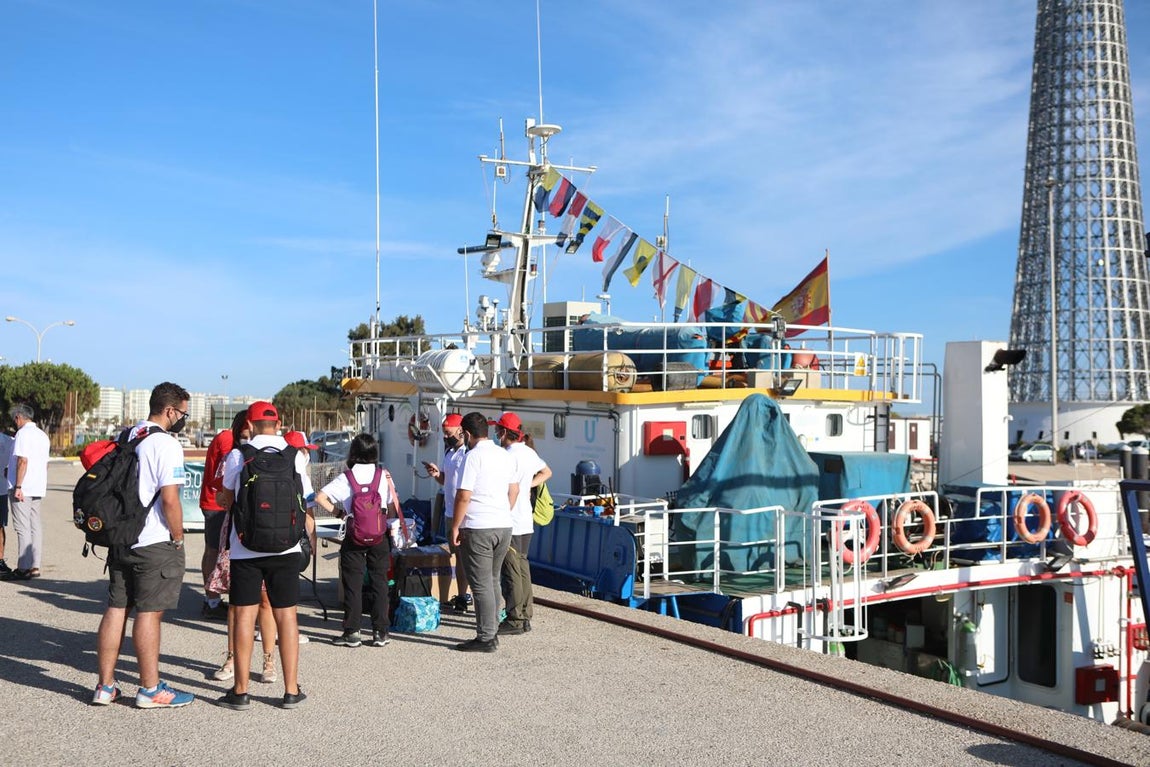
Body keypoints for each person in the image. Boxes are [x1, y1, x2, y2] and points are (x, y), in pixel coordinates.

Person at [92, 382, 196, 708]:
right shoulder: (165, 444)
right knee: (149, 614)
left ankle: (105, 686)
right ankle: (150, 689)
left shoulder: (128, 436)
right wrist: (178, 537)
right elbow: (170, 499)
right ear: (169, 411)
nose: (184, 419)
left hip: (120, 538)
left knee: (116, 608)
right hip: (153, 541)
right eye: (183, 413)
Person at [215, 401, 313, 710]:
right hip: (286, 547)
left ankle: (241, 691)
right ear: (278, 423)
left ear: (250, 424)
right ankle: (291, 690)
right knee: (287, 615)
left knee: (244, 614)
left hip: (246, 548)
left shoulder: (238, 456)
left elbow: (229, 499)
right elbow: (304, 500)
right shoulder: (295, 456)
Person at [209, 415, 280, 685]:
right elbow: (221, 495)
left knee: (264, 602)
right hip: (238, 535)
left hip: (259, 534)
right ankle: (232, 658)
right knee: (237, 604)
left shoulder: (263, 455)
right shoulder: (235, 457)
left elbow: (221, 497)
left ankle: (268, 659)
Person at [314, 433, 396, 648]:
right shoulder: (383, 475)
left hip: (355, 535)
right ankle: (381, 632)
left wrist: (341, 514)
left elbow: (319, 497)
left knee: (353, 584)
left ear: (354, 452)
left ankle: (352, 632)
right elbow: (391, 506)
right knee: (380, 582)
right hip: (379, 535)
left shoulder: (347, 477)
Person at [450, 411, 516, 652]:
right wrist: (502, 512)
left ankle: (486, 637)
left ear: (466, 434)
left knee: (480, 584)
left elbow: (464, 495)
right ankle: (492, 630)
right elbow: (514, 490)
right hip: (503, 524)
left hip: (479, 526)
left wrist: (455, 526)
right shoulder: (504, 455)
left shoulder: (472, 457)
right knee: (493, 579)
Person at [491, 412, 551, 636]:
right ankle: (526, 614)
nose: (496, 434)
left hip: (511, 519)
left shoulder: (506, 455)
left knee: (511, 571)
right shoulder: (528, 452)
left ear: (504, 432)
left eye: (497, 430)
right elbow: (547, 472)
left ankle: (515, 618)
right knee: (523, 567)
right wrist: (528, 486)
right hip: (526, 518)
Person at [198, 411, 249, 620]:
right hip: (217, 504)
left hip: (219, 502)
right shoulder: (228, 440)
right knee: (214, 551)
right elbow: (233, 470)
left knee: (214, 551)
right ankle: (212, 601)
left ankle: (213, 598)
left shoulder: (228, 438)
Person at [423, 413, 470, 612]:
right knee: (457, 556)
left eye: (448, 433)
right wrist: (436, 475)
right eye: (443, 434)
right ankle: (461, 595)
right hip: (450, 511)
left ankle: (466, 595)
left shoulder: (468, 453)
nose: (445, 437)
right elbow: (447, 480)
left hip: (464, 512)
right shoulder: (449, 453)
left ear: (460, 430)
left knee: (466, 556)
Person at [4, 404, 50, 581]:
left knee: (22, 527)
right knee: (35, 526)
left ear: (18, 417)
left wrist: (18, 486)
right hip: (38, 487)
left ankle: (23, 567)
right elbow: (44, 464)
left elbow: (23, 461)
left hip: (23, 488)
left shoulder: (22, 434)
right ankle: (35, 566)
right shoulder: (42, 435)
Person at [0, 428, 14, 575]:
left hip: (1, 490)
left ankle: (0, 560)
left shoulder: (10, 441)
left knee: (0, 526)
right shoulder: (10, 441)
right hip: (2, 490)